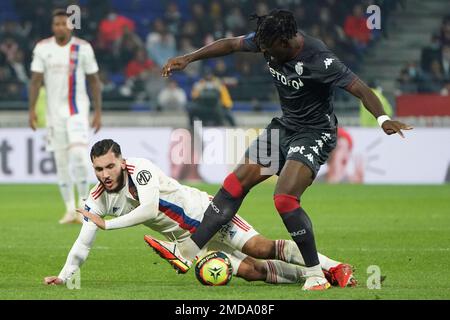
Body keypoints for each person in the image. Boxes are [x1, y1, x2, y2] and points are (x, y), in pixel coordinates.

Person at [157, 9, 412, 291]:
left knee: (284, 199)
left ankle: (315, 275)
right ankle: (188, 252)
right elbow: (230, 44)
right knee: (234, 183)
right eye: (261, 48)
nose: (265, 54)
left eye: (269, 49)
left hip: (314, 134)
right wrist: (188, 58)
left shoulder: (320, 59)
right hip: (283, 129)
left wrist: (383, 119)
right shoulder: (268, 40)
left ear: (286, 40)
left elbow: (361, 89)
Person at [43, 139, 356, 288]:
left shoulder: (142, 171)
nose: (105, 174)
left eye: (110, 166)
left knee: (260, 247)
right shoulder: (97, 198)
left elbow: (149, 208)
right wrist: (65, 276)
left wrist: (109, 226)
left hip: (209, 215)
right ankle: (317, 276)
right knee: (252, 272)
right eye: (98, 169)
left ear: (121, 161)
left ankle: (335, 266)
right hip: (188, 240)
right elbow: (84, 242)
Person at [29, 9, 102, 224]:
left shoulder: (83, 48)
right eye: (57, 24)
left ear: (71, 26)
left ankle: (83, 205)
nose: (60, 27)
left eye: (64, 23)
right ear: (53, 27)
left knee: (80, 156)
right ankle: (69, 209)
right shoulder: (43, 48)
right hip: (53, 115)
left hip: (77, 111)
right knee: (60, 162)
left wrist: (98, 111)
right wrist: (31, 109)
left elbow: (94, 81)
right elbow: (35, 80)